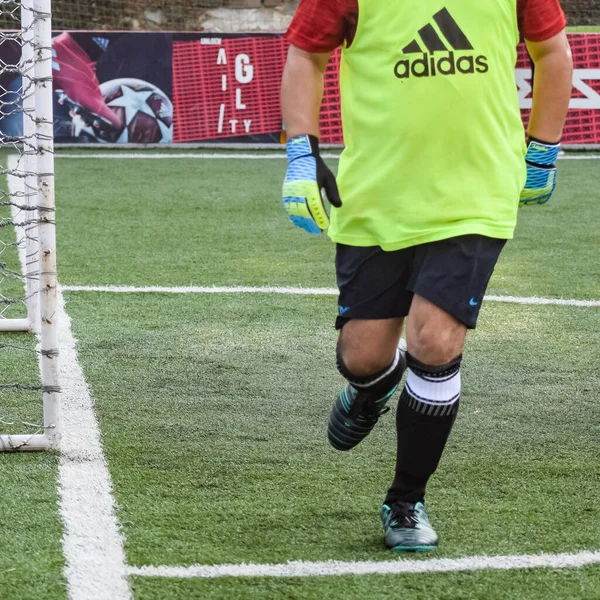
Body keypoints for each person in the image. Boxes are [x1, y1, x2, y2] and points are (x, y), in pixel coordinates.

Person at [280, 0, 572, 552]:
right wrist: (301, 151)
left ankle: (405, 499)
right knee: (361, 357)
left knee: (434, 342)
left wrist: (545, 148)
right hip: (375, 195)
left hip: (477, 193)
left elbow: (552, 52)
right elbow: (306, 54)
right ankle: (373, 386)